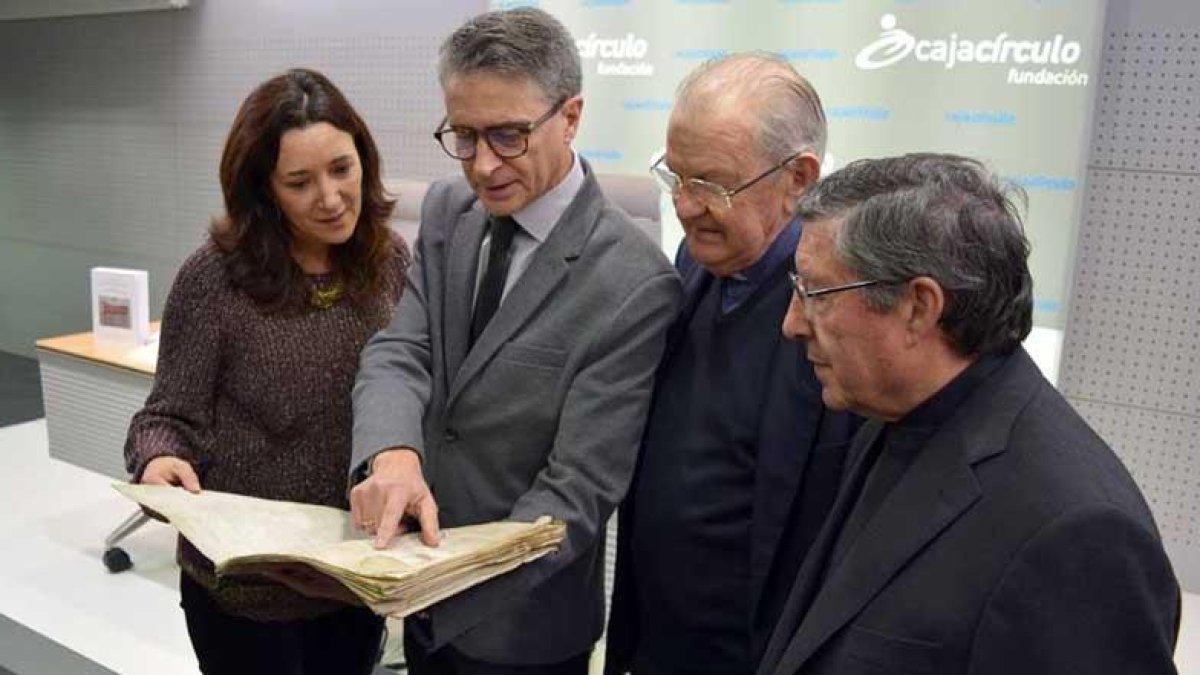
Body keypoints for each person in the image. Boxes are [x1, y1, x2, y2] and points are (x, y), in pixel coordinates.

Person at [348, 7, 682, 674]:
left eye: (508, 135)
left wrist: (440, 582)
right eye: (464, 136)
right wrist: (391, 453)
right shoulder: (449, 210)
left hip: (522, 630)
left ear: (572, 116)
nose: (483, 166)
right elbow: (402, 350)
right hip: (417, 601)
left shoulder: (635, 282)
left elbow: (577, 490)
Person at [758, 153, 1180, 675]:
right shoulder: (892, 418)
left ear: (919, 306)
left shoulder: (1077, 533)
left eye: (814, 293)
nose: (792, 324)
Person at [124, 68, 407, 675]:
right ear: (264, 191)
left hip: (349, 578)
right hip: (244, 594)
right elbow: (167, 416)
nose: (330, 198)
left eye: (342, 168)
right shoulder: (215, 279)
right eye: (299, 183)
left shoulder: (389, 262)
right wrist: (156, 460)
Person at [603, 53, 862, 675]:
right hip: (659, 638)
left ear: (799, 177)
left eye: (712, 184)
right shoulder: (698, 260)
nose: (687, 206)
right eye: (677, 177)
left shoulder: (843, 318)